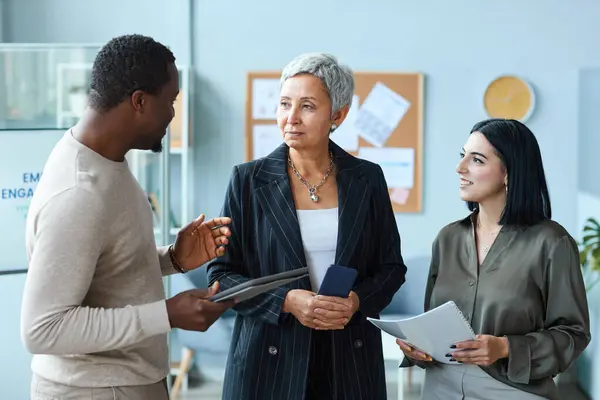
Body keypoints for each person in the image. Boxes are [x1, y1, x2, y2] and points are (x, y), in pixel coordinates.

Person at [21, 34, 234, 400]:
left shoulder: (107, 162)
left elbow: (101, 268)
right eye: (170, 102)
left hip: (121, 383)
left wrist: (172, 259)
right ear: (139, 101)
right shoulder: (79, 194)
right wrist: (166, 314)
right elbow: (43, 329)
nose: (171, 114)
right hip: (95, 390)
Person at [207, 52, 407, 400]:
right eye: (284, 104)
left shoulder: (367, 178)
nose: (291, 118)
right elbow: (222, 278)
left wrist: (357, 300)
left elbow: (390, 268)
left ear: (338, 116)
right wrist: (286, 300)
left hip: (350, 358)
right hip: (267, 359)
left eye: (307, 106)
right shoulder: (247, 180)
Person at [397, 118, 591, 400]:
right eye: (462, 156)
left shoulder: (551, 242)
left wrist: (506, 347)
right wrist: (419, 349)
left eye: (476, 160)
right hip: (440, 389)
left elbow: (573, 335)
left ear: (509, 172)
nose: (460, 168)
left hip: (511, 391)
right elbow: (433, 324)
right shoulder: (447, 238)